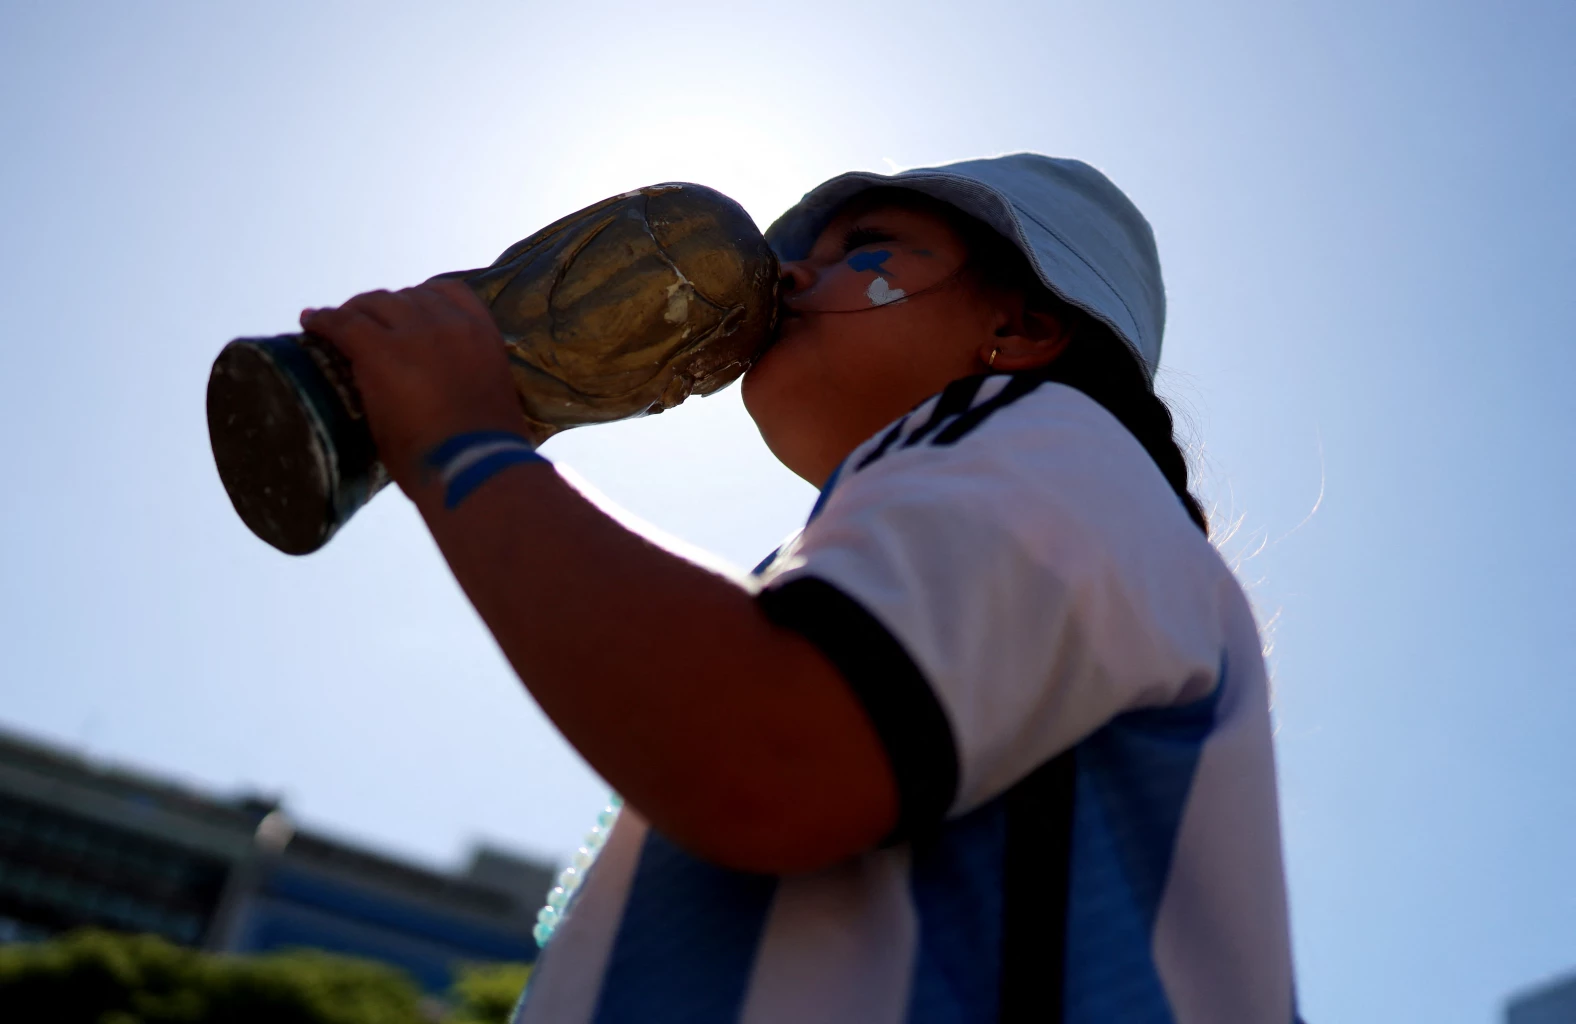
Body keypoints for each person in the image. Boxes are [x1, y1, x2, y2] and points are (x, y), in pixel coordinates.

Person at [299, 153, 1299, 1023]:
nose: (783, 272)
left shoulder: (1053, 444)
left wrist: (461, 446)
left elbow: (768, 752)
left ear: (1025, 327)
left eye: (865, 241)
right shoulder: (896, 529)